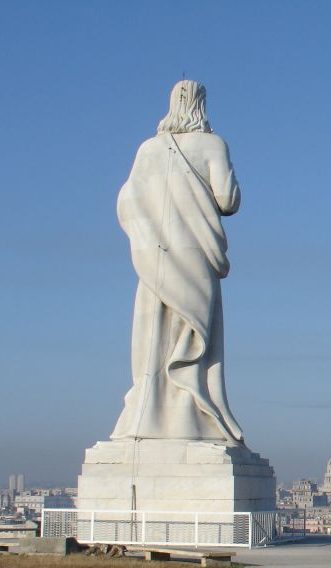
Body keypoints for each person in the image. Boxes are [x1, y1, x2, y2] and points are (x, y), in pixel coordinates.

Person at [110, 80, 245, 444]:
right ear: (202, 105)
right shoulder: (213, 144)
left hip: (155, 257)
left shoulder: (147, 151)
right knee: (196, 338)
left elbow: (127, 201)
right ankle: (194, 416)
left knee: (154, 339)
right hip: (195, 256)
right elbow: (227, 199)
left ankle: (148, 415)